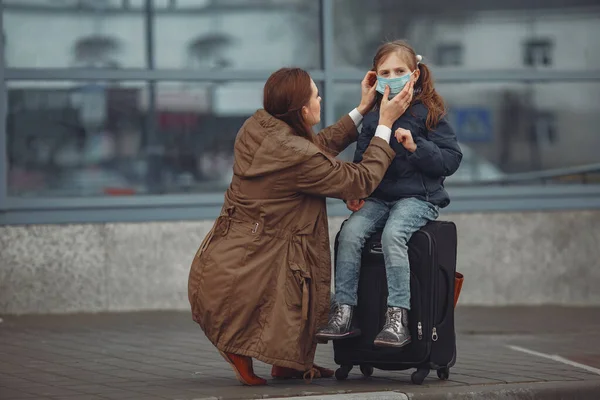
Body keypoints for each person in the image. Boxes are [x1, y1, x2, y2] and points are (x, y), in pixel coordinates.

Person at [187, 67, 415, 385]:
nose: (321, 98)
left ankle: (288, 363)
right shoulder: (296, 154)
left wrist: (363, 110)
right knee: (269, 301)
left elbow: (315, 153)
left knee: (292, 299)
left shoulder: (260, 128)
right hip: (254, 252)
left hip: (246, 242)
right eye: (315, 94)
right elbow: (359, 180)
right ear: (303, 110)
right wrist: (385, 125)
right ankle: (236, 347)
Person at [316, 40, 463, 348]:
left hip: (419, 198)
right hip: (379, 198)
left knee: (392, 235)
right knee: (350, 233)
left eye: (400, 70)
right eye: (385, 71)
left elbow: (451, 160)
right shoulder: (372, 115)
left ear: (415, 75)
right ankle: (343, 311)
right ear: (375, 77)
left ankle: (398, 317)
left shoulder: (429, 112)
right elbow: (362, 159)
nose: (392, 76)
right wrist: (355, 192)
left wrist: (416, 147)